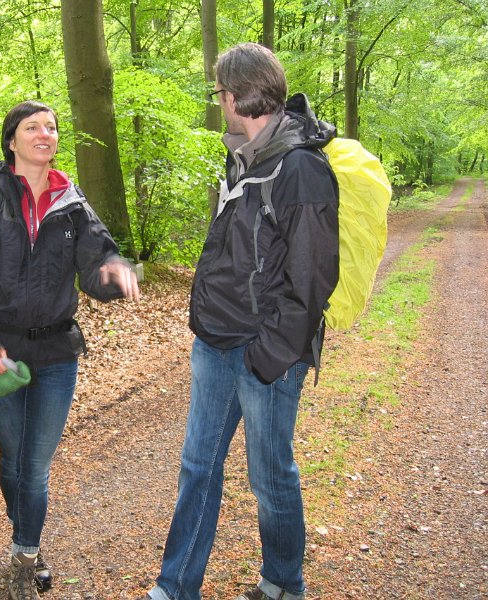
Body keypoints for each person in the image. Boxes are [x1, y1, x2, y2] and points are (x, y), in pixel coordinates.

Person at [139, 43, 339, 600]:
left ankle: (283, 584)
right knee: (198, 468)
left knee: (269, 477)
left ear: (236, 95)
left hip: (265, 352)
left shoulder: (301, 168)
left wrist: (267, 357)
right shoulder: (243, 156)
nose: (219, 102)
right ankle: (175, 588)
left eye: (220, 92)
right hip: (216, 343)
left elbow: (312, 278)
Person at [0, 100, 140, 600]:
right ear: (12, 140)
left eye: (50, 127)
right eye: (32, 127)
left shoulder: (72, 203)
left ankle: (25, 556)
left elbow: (97, 264)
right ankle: (26, 538)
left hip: (56, 353)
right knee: (13, 460)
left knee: (34, 466)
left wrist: (116, 274)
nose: (44, 134)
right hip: (0, 355)